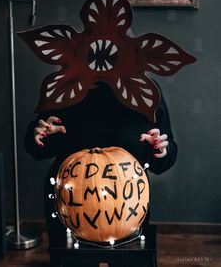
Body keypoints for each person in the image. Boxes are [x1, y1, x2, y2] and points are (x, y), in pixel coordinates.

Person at [25, 81, 177, 249]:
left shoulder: (145, 90)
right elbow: (38, 151)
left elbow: (165, 156)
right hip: (70, 208)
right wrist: (40, 136)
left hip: (128, 208)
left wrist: (161, 149)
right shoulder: (65, 86)